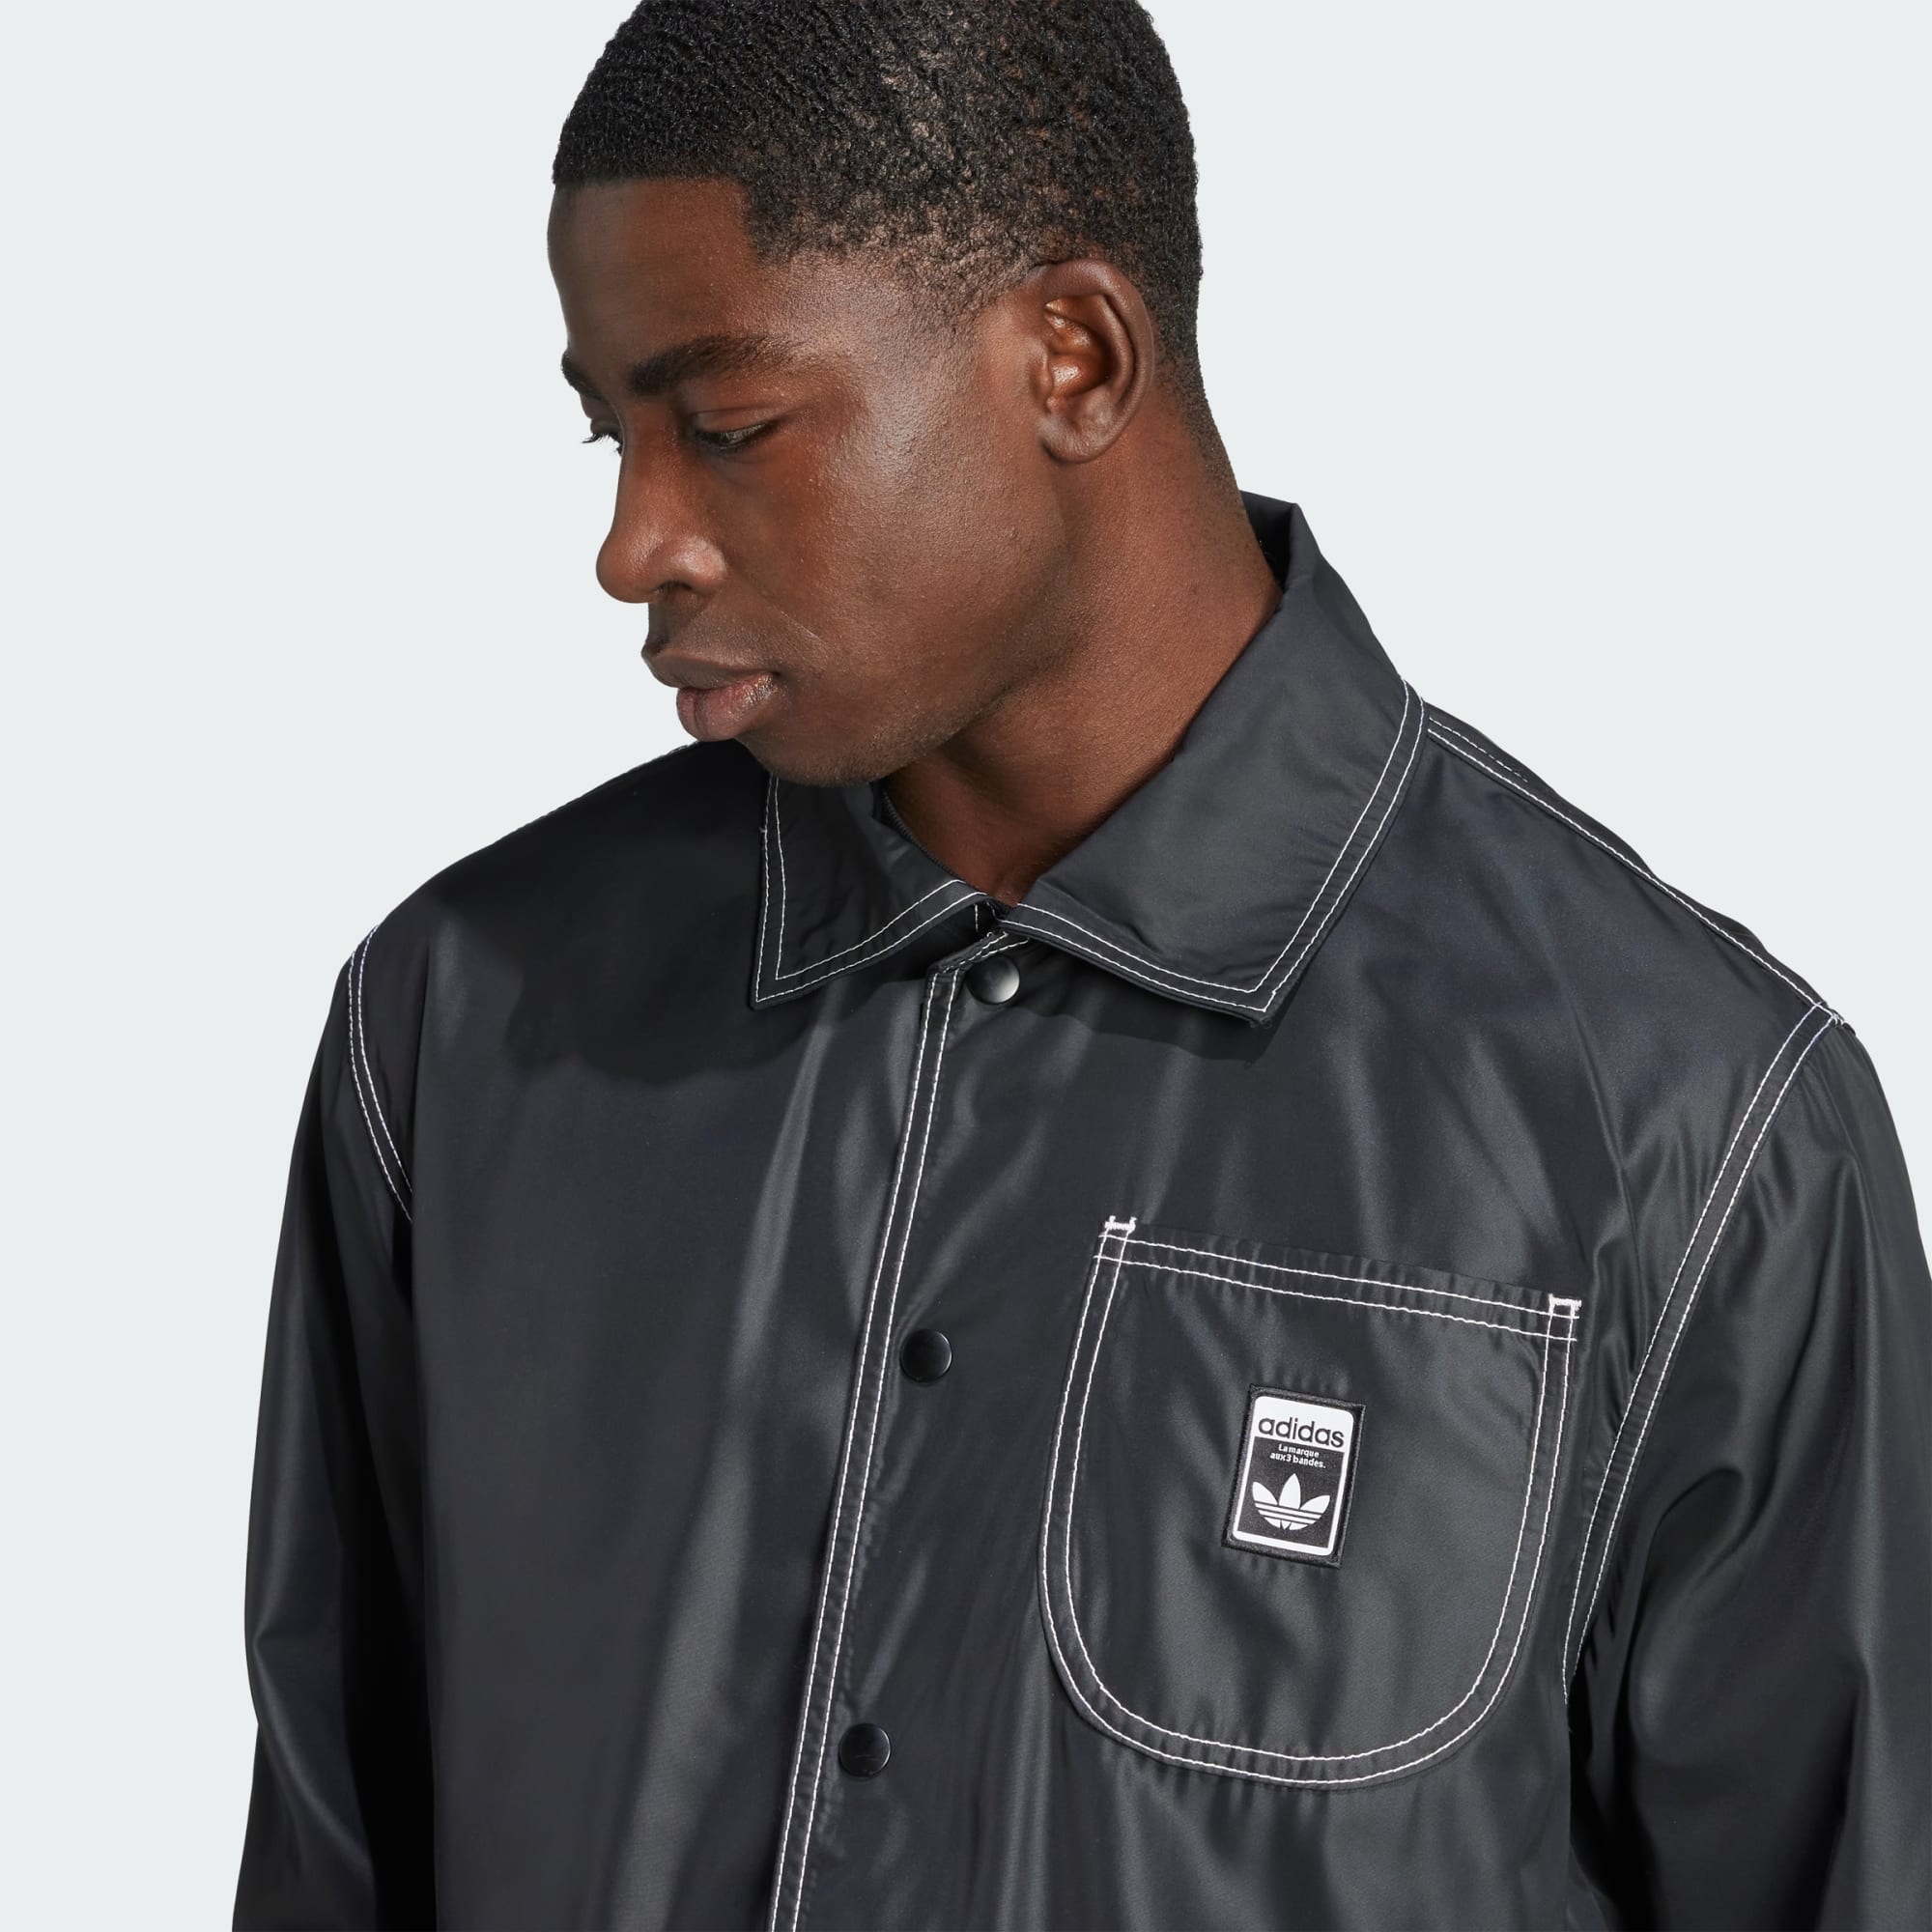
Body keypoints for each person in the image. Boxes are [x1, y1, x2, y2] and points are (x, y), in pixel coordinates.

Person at [232, 3, 1932, 1928]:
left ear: (1075, 358)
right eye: (609, 433)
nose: (633, 546)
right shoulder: (462, 1027)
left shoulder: (1687, 1131)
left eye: (727, 427)